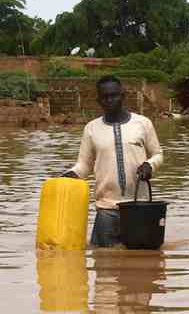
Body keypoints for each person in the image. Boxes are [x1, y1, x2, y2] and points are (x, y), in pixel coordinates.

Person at [61, 75, 163, 247]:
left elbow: (158, 154)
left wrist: (149, 165)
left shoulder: (143, 123)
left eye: (114, 95)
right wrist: (72, 174)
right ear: (98, 100)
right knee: (103, 263)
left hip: (139, 207)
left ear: (122, 96)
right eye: (105, 97)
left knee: (143, 265)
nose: (109, 100)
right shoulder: (91, 129)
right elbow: (84, 165)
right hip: (106, 209)